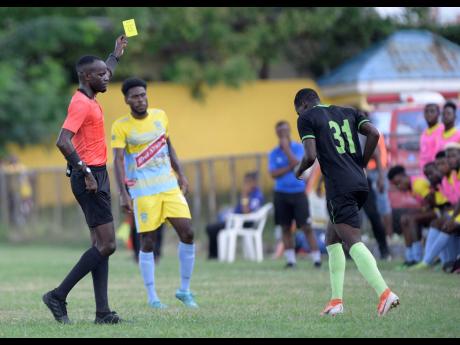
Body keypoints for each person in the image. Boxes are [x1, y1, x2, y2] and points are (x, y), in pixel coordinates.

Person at [42, 35, 128, 325]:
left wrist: (115, 54)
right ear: (86, 77)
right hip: (88, 176)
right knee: (108, 245)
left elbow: (109, 69)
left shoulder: (92, 93)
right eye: (102, 74)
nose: (108, 77)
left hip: (97, 173)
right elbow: (62, 141)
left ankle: (103, 312)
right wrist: (86, 172)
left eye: (107, 72)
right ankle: (57, 295)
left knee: (100, 244)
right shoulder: (80, 103)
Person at [294, 88, 399, 317]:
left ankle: (385, 293)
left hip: (340, 186)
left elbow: (310, 156)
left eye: (297, 112)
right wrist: (361, 162)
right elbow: (374, 133)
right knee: (332, 239)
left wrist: (299, 169)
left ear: (302, 106)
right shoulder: (348, 111)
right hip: (360, 182)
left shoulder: (306, 117)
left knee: (352, 241)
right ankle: (336, 301)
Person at [112, 77, 198, 309]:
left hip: (168, 186)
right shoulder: (121, 126)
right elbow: (118, 160)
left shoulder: (160, 116)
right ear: (127, 100)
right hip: (143, 190)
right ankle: (152, 296)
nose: (140, 99)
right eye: (135, 96)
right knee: (147, 241)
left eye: (143, 94)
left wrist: (181, 173)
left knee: (188, 233)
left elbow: (168, 146)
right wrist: (123, 192)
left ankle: (185, 290)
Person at [268, 120, 322, 268]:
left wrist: (287, 151)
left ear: (289, 131)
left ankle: (316, 259)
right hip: (281, 193)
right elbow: (273, 174)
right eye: (280, 132)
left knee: (306, 226)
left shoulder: (298, 148)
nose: (282, 134)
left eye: (285, 131)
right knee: (285, 227)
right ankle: (291, 260)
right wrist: (289, 166)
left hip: (298, 192)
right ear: (276, 133)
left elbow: (298, 166)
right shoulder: (273, 153)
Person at [387, 163, 444, 267]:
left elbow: (435, 203)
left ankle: (417, 257)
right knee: (405, 218)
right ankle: (410, 257)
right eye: (396, 185)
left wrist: (424, 209)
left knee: (412, 219)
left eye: (399, 183)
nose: (399, 187)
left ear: (404, 176)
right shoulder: (410, 187)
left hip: (442, 210)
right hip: (436, 210)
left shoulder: (417, 184)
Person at [206, 171, 264, 259]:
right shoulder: (248, 194)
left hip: (244, 223)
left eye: (247, 182)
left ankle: (214, 256)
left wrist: (244, 195)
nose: (245, 185)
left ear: (253, 182)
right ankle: (215, 255)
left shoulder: (256, 195)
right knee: (211, 227)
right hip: (236, 220)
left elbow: (246, 213)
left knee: (211, 228)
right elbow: (237, 209)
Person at [419, 103, 443, 171]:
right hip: (426, 171)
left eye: (432, 111)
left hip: (438, 170)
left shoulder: (442, 130)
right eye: (426, 112)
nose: (429, 114)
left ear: (438, 114)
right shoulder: (424, 134)